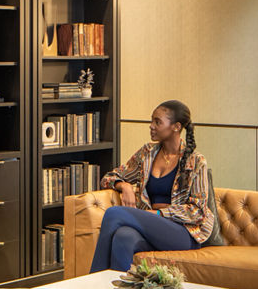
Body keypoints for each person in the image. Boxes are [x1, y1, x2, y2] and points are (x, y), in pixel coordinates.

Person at [89, 99, 214, 273]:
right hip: (151, 227)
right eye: (151, 120)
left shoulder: (196, 161)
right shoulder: (147, 153)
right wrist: (124, 186)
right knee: (123, 237)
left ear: (176, 127)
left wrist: (158, 213)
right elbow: (109, 177)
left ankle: (93, 281)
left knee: (114, 213)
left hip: (183, 232)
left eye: (158, 122)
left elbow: (197, 211)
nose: (151, 126)